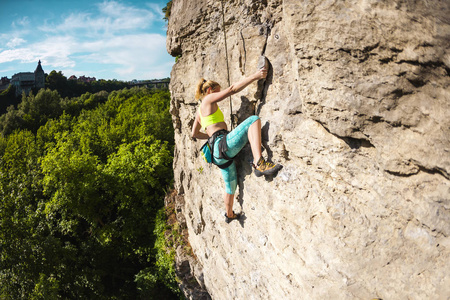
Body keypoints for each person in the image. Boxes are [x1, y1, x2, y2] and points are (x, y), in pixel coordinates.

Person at [191, 67, 282, 223]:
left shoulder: (199, 112)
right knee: (253, 120)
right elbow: (232, 89)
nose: (219, 95)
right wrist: (255, 75)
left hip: (217, 155)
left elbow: (194, 134)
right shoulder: (207, 99)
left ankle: (229, 214)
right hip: (222, 145)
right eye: (217, 91)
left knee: (230, 187)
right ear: (211, 90)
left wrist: (211, 135)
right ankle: (259, 163)